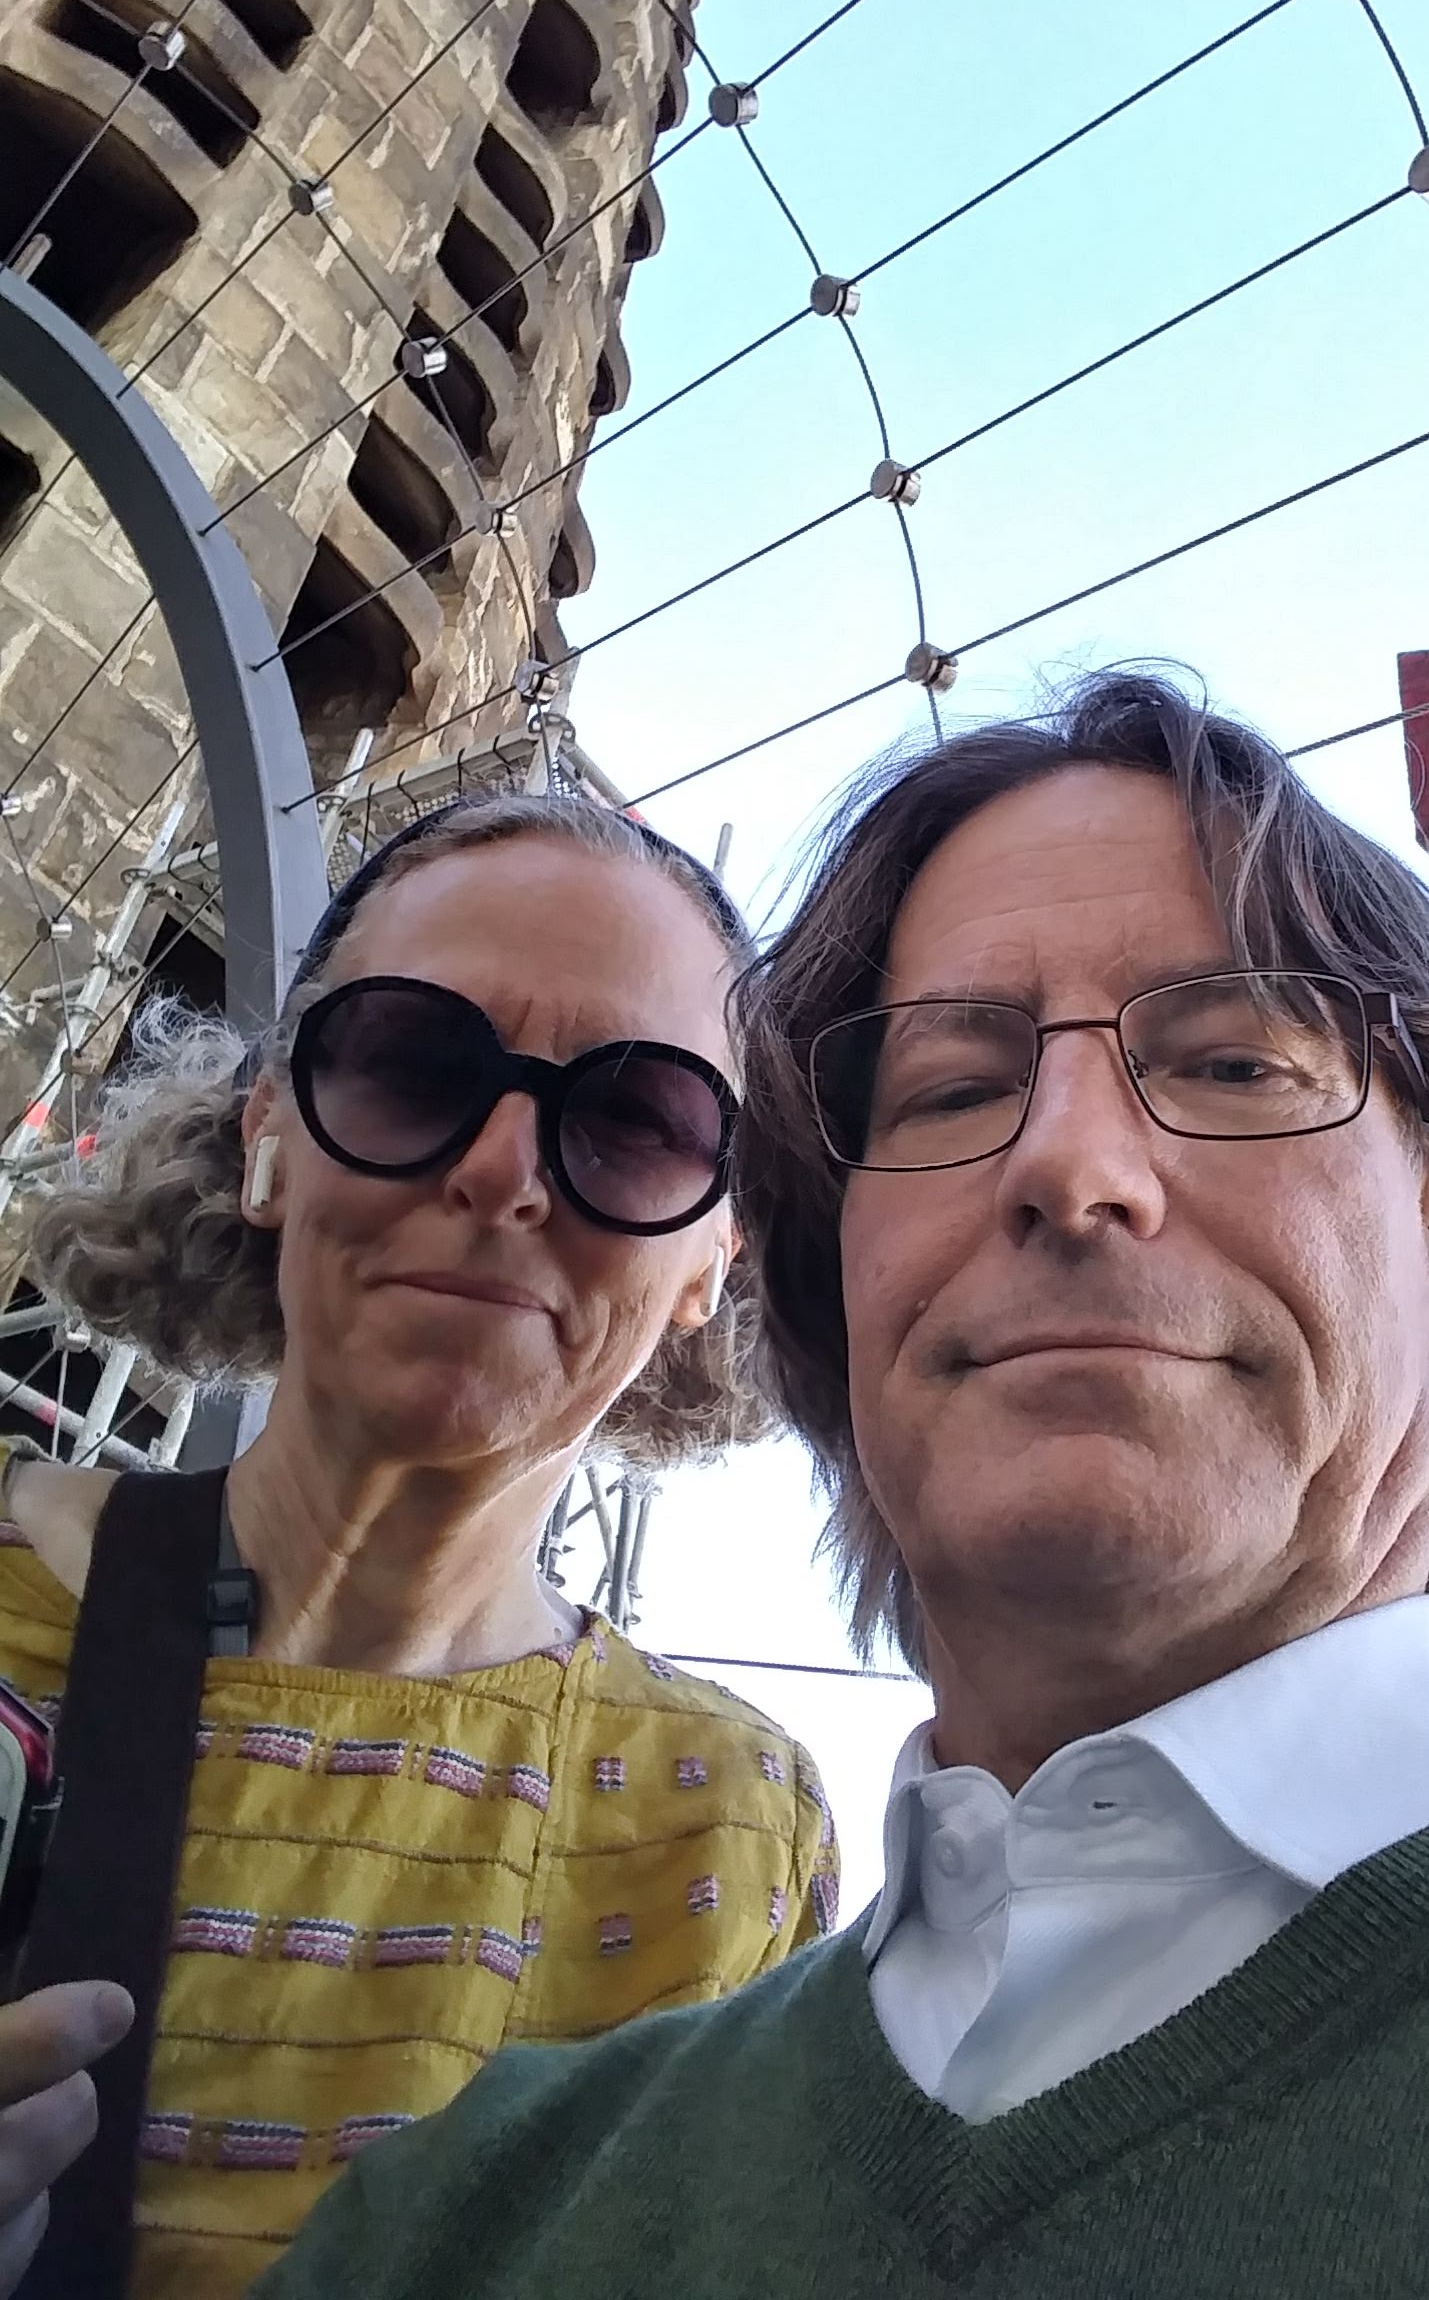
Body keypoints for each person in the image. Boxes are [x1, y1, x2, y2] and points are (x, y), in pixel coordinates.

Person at [258, 674, 1429, 2300]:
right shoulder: (463, 2222)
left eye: (1232, 1065)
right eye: (952, 1090)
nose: (1066, 1161)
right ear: (845, 1291)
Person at [0, 790, 835, 2300]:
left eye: (636, 1121)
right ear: (268, 1137)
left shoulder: (724, 1832)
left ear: (712, 1257)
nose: (504, 1169)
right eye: (410, 1064)